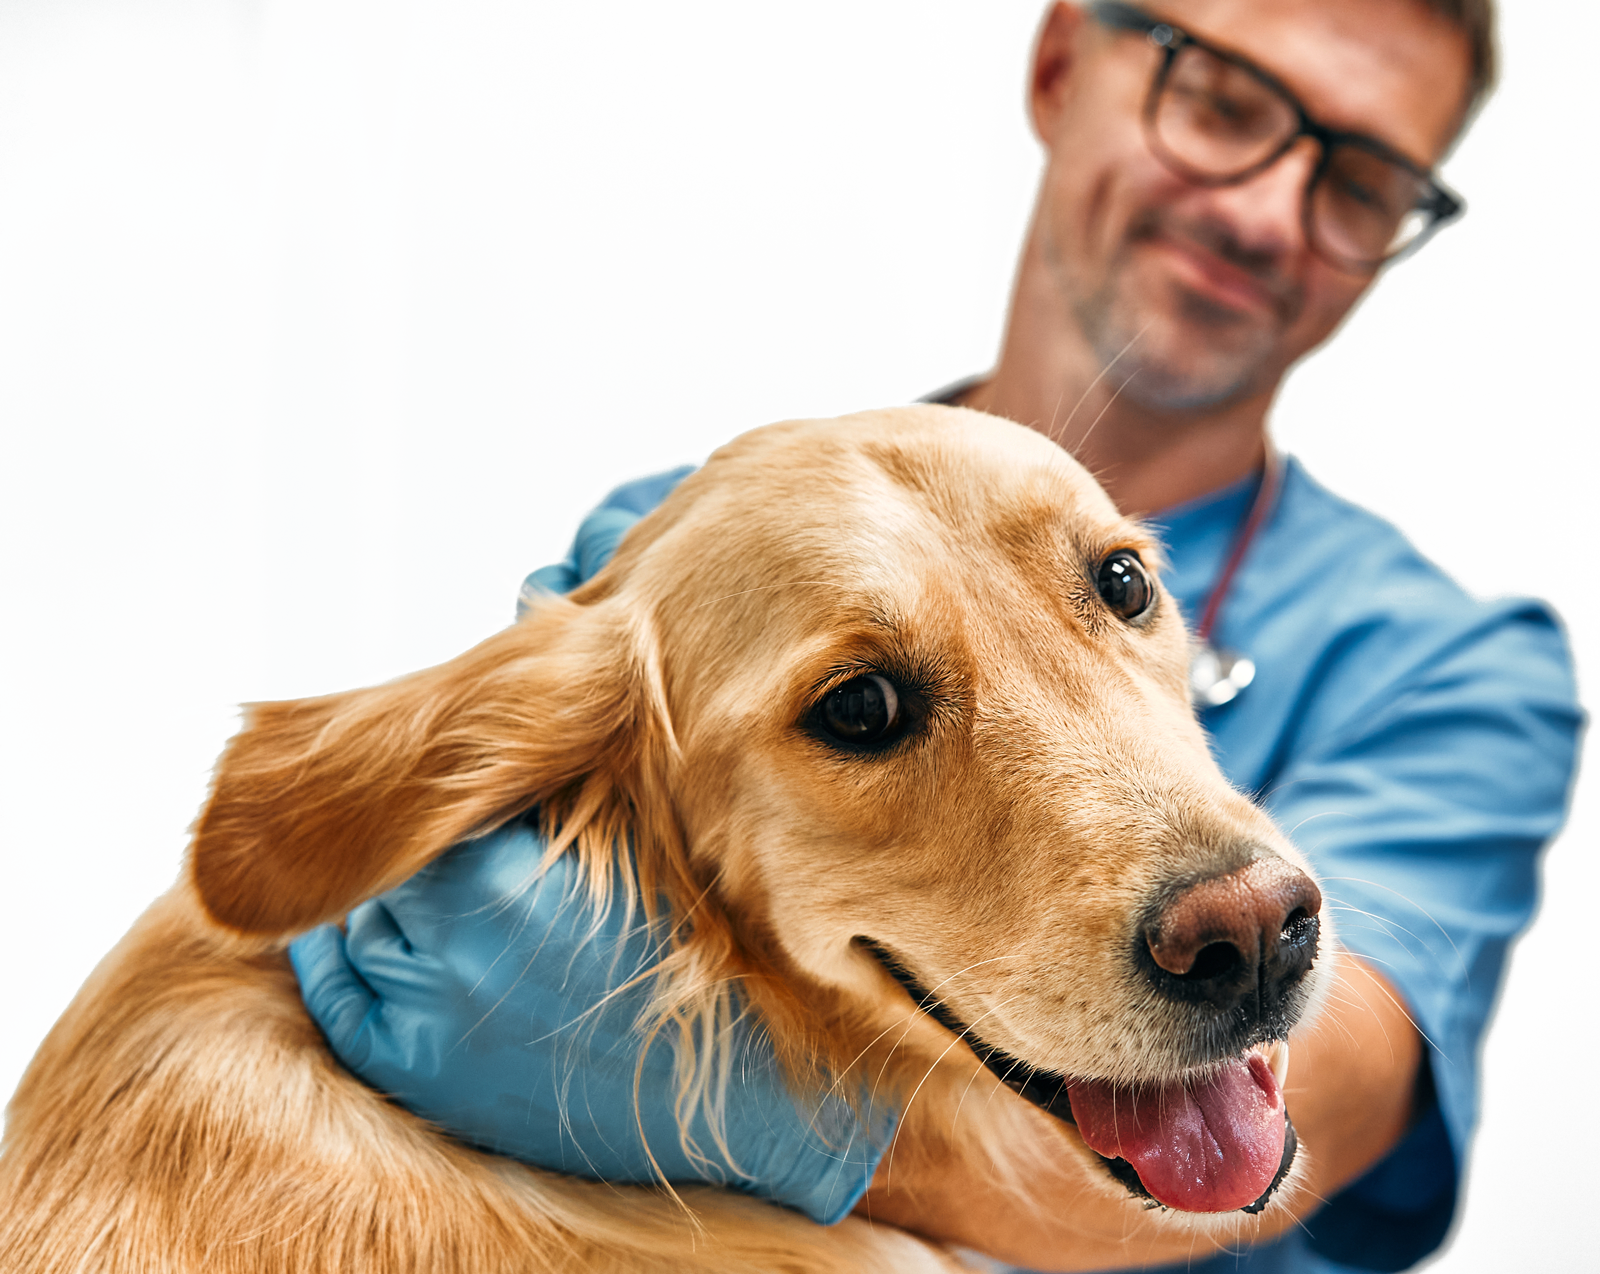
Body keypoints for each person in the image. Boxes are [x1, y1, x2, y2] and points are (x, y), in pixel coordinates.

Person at [287, 2, 1580, 1270]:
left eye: (1360, 180)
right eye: (1224, 101)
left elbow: (1336, 1096)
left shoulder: (1455, 665)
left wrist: (700, 1101)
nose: (1260, 212)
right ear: (1065, 62)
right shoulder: (671, 554)